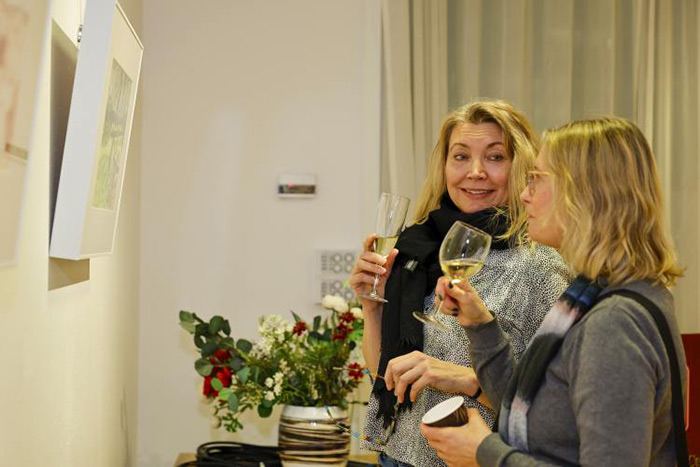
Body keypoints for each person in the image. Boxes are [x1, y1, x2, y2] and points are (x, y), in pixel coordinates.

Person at [422, 117, 688, 466]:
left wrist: (484, 452)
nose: (524, 194)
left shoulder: (614, 322)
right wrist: (480, 325)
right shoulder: (593, 292)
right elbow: (524, 410)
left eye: (536, 178)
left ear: (584, 194)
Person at [349, 100, 571, 467]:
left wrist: (464, 377)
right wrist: (372, 307)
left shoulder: (540, 266)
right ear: (444, 166)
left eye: (495, 157)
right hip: (396, 457)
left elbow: (552, 410)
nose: (476, 172)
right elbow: (386, 376)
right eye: (461, 156)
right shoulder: (417, 248)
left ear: (521, 168)